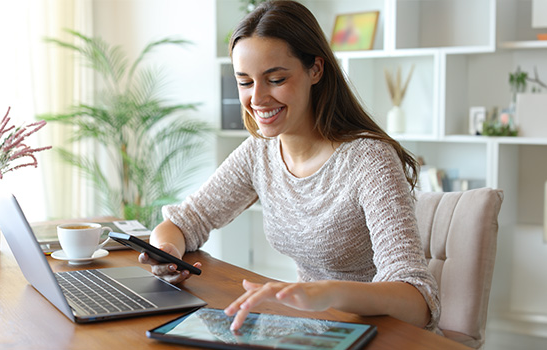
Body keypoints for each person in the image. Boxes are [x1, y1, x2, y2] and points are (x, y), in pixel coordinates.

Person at [137, 0, 440, 333]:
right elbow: (185, 221)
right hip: (316, 330)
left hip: (384, 336)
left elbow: (418, 301)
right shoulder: (260, 153)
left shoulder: (368, 160)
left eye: (276, 79)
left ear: (316, 70)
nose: (258, 98)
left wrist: (328, 292)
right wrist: (165, 251)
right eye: (245, 82)